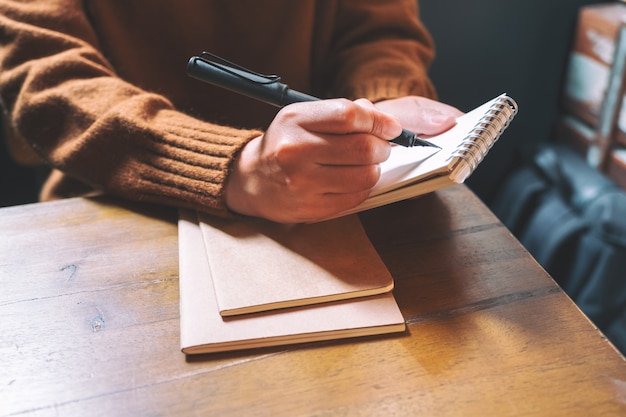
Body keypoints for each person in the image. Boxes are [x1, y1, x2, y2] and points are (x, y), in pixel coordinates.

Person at [0, 0, 462, 223]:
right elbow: (44, 77)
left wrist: (379, 104)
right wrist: (232, 167)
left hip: (327, 202)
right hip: (109, 208)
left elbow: (378, 29)